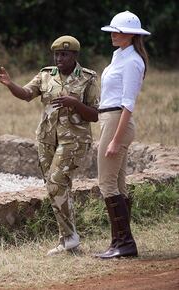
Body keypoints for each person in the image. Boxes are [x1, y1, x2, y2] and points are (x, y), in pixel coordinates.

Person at [0, 35, 99, 255]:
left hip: (74, 141)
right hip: (46, 139)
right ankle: (68, 240)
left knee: (55, 183)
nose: (59, 58)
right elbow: (26, 94)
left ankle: (70, 237)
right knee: (58, 189)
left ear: (74, 56)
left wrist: (75, 103)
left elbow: (95, 115)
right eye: (56, 54)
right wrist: (10, 84)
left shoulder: (88, 78)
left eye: (64, 54)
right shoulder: (45, 75)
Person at [96, 11, 151, 259]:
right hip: (110, 119)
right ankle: (120, 243)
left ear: (130, 35)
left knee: (106, 182)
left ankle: (125, 242)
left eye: (117, 31)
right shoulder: (119, 55)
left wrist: (116, 140)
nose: (113, 35)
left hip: (117, 121)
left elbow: (128, 104)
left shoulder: (132, 62)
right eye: (112, 31)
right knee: (117, 183)